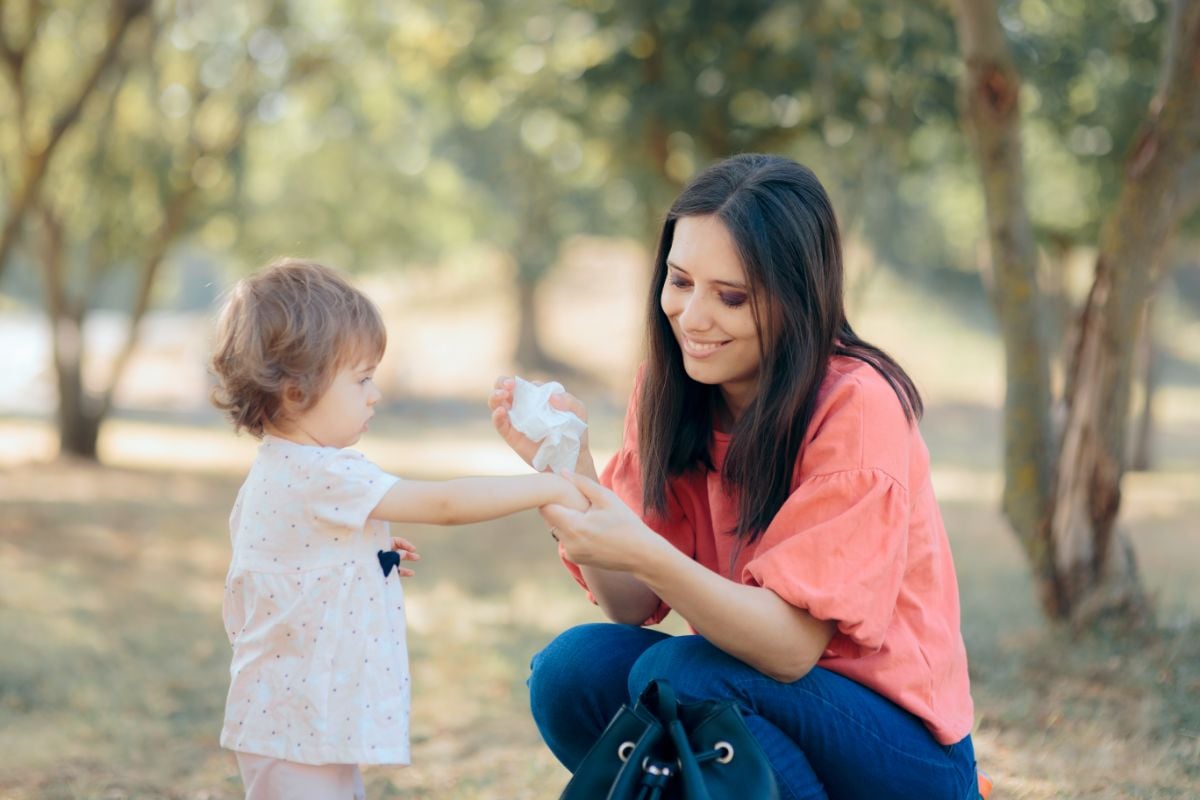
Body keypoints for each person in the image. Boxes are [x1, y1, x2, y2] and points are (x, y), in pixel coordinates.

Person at [490, 154, 983, 800]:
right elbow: (631, 602)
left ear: (796, 297)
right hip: (750, 695)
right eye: (679, 280)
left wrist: (645, 549)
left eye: (731, 296)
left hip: (898, 751)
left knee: (681, 674)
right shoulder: (676, 386)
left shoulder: (857, 406)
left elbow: (789, 649)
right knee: (571, 671)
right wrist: (568, 468)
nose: (692, 317)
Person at [209, 258, 586, 800]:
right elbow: (445, 502)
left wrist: (366, 558)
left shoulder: (280, 470)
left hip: (296, 713)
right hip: (297, 718)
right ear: (295, 392)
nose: (374, 394)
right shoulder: (323, 472)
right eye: (361, 379)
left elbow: (285, 569)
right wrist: (548, 486)